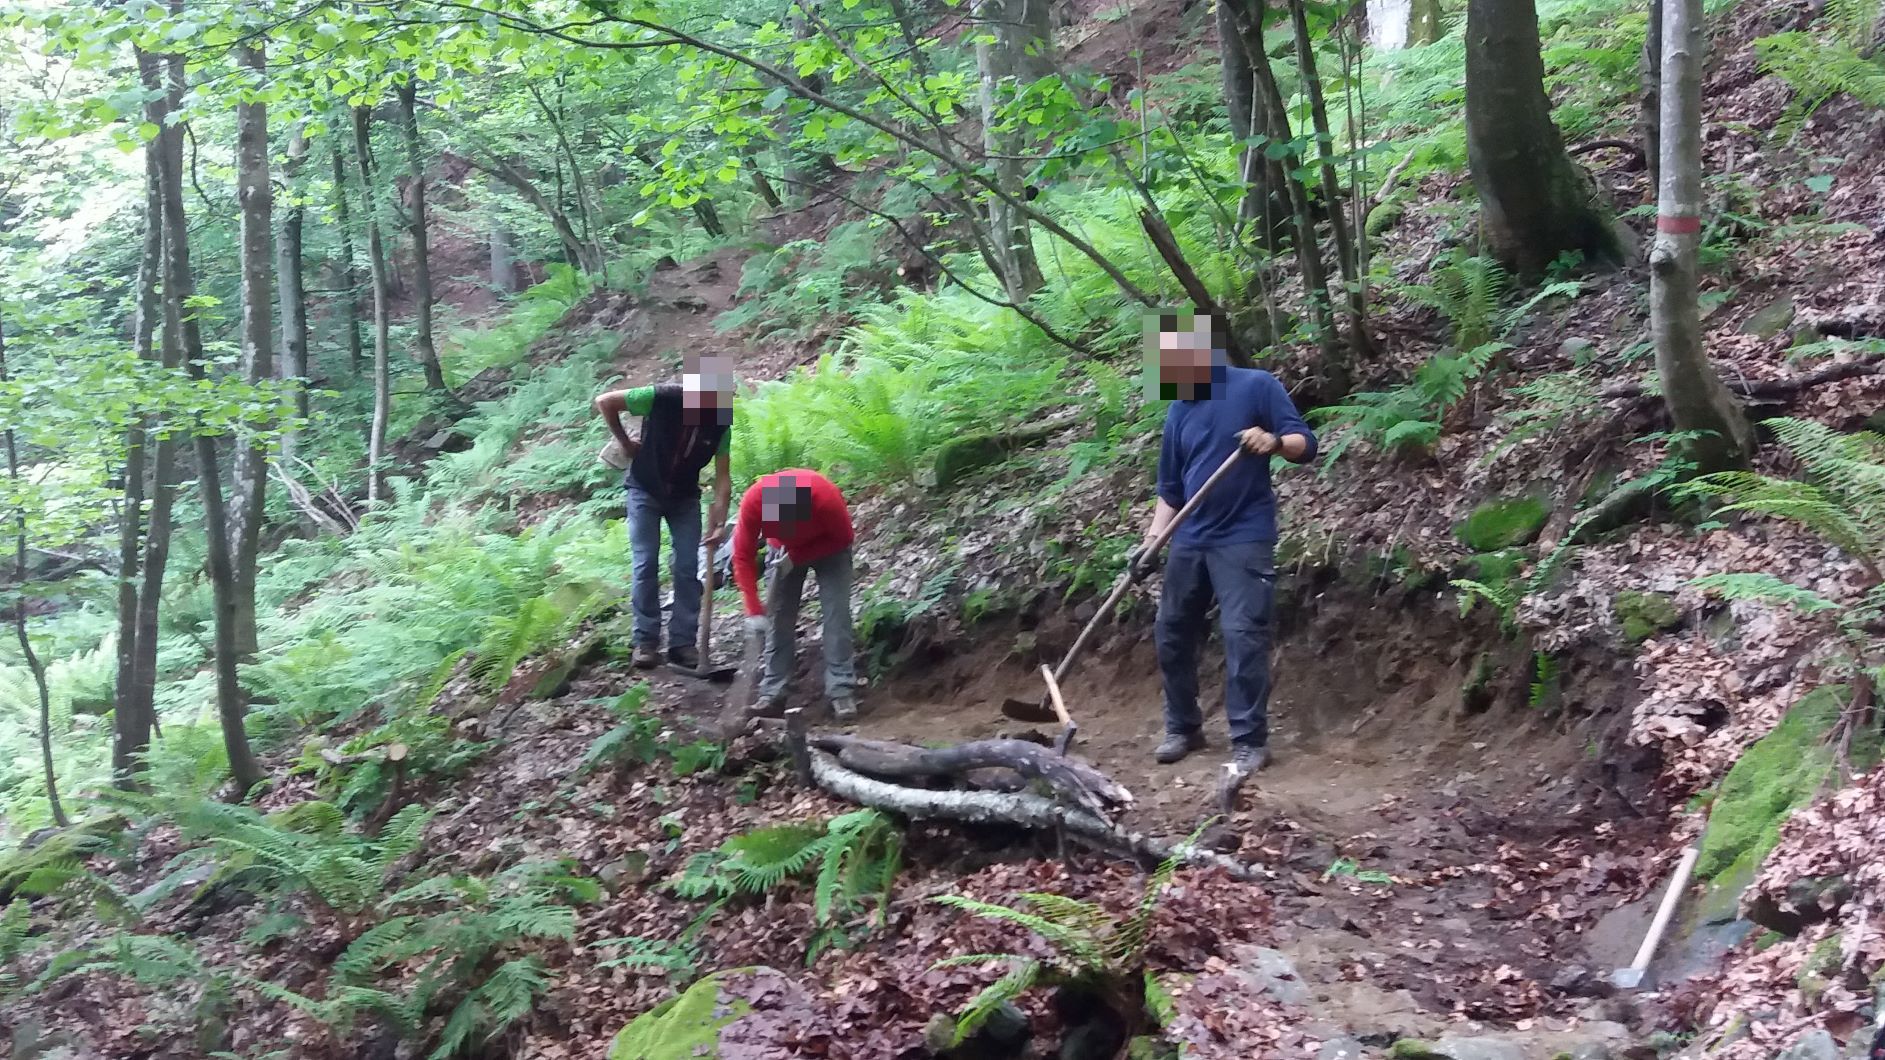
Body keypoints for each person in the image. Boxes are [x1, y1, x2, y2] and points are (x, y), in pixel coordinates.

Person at [1129, 312, 1315, 774]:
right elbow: (1170, 490)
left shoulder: (1256, 386)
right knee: (1171, 631)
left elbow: (1305, 444)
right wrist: (1152, 541)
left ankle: (1250, 740)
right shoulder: (1179, 410)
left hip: (1243, 535)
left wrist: (1273, 441)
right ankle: (1184, 727)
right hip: (1189, 537)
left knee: (1242, 634)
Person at [593, 356, 734, 670]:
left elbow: (723, 477)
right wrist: (624, 442)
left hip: (685, 497)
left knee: (687, 566)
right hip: (645, 489)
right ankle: (645, 641)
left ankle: (683, 644)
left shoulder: (721, 422)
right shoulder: (662, 397)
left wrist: (720, 519)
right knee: (645, 563)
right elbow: (605, 402)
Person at [731, 468, 858, 721]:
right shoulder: (754, 502)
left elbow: (844, 538)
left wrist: (797, 556)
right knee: (778, 620)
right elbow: (742, 556)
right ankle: (773, 693)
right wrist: (753, 609)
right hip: (781, 552)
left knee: (836, 615)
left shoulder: (824, 498)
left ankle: (841, 690)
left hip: (830, 548)